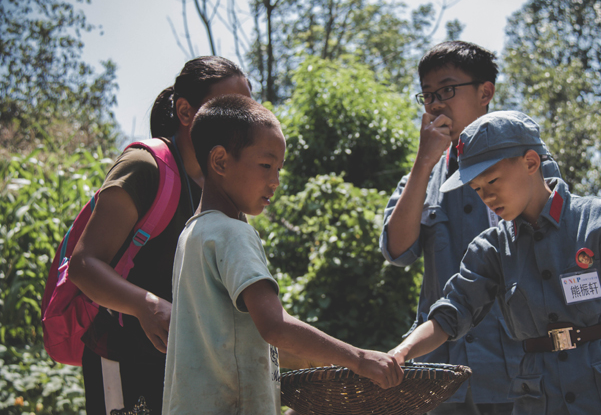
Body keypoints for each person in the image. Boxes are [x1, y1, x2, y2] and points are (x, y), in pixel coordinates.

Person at [389, 110, 601, 414]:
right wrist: (401, 353)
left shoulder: (597, 221)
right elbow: (448, 316)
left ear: (530, 162)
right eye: (477, 189)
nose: (487, 197)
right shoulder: (491, 249)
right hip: (542, 397)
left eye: (493, 181)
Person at [162, 94, 403, 414]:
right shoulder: (234, 232)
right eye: (265, 165)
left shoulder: (191, 235)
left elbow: (233, 344)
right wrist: (359, 359)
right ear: (220, 161)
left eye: (279, 168)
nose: (275, 182)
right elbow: (274, 326)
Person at [380, 41, 560, 415]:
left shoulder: (529, 165)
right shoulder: (422, 177)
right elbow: (397, 252)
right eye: (427, 95)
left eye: (447, 90)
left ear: (485, 92)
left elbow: (555, 250)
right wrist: (423, 163)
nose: (435, 104)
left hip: (520, 365)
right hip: (442, 373)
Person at [69, 56, 252, 415]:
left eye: (246, 109)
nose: (242, 122)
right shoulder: (144, 167)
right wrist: (145, 306)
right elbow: (84, 264)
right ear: (185, 111)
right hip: (122, 362)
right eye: (228, 109)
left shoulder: (225, 192)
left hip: (188, 371)